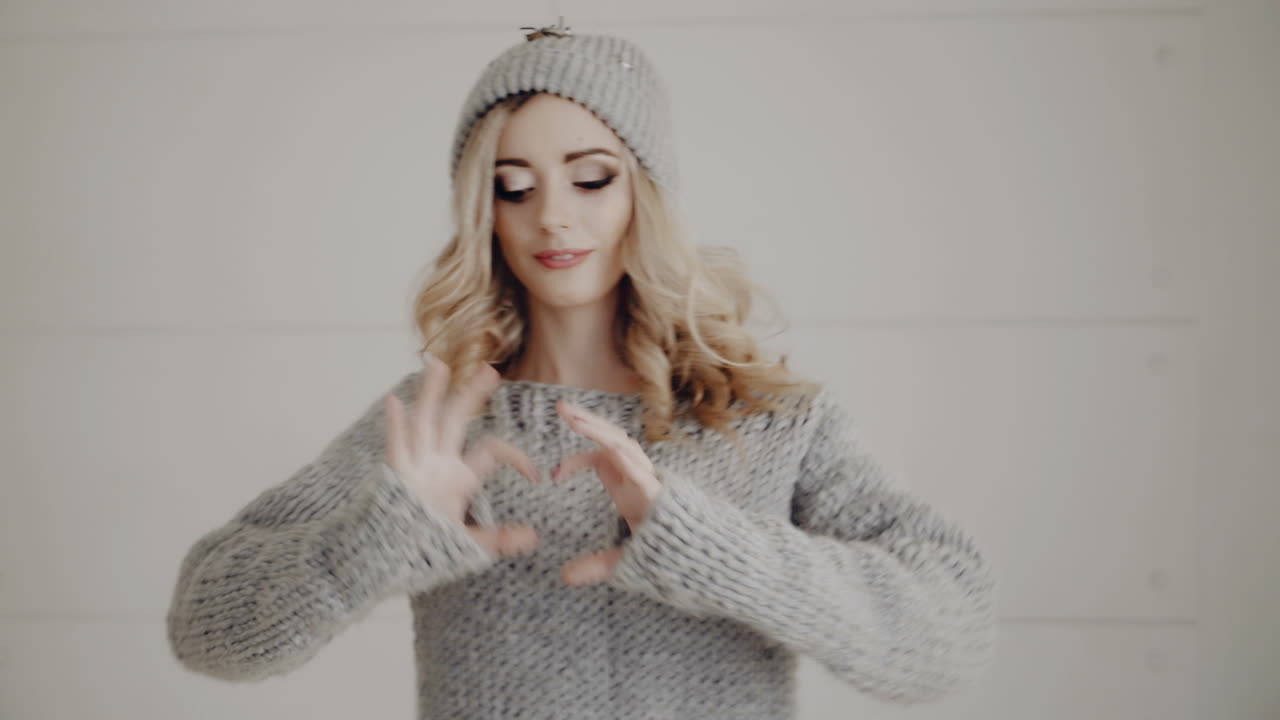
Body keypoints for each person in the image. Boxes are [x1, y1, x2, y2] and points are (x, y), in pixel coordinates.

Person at [165, 19, 999, 719]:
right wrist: (383, 536)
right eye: (513, 187)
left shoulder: (768, 420)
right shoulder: (439, 422)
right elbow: (205, 631)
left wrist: (702, 545)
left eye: (591, 178)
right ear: (482, 211)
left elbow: (951, 634)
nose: (553, 217)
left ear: (647, 192)